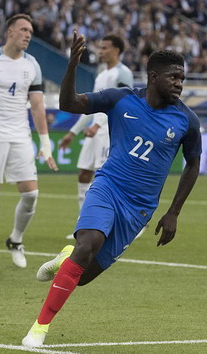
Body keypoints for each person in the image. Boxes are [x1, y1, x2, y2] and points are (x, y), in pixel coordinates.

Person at [22, 33, 202, 347]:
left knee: (82, 275)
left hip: (139, 209)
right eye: (174, 77)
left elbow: (193, 164)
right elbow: (69, 103)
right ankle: (38, 329)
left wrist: (173, 212)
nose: (179, 83)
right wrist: (72, 66)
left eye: (183, 78)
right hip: (108, 187)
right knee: (88, 242)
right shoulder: (121, 99)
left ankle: (67, 258)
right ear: (153, 77)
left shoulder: (187, 120)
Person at [0, 14, 58, 271]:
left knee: (31, 194)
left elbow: (38, 106)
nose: (28, 34)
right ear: (9, 31)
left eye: (30, 30)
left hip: (20, 136)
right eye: (23, 29)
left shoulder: (32, 65)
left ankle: (16, 240)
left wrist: (45, 142)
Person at [58, 34, 133, 239]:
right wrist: (72, 133)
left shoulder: (123, 73)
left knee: (105, 178)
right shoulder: (101, 74)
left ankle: (118, 222)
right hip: (95, 131)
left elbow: (123, 105)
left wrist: (99, 124)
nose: (100, 51)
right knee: (84, 173)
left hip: (110, 132)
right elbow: (90, 106)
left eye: (105, 48)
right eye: (100, 48)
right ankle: (85, 223)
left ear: (116, 50)